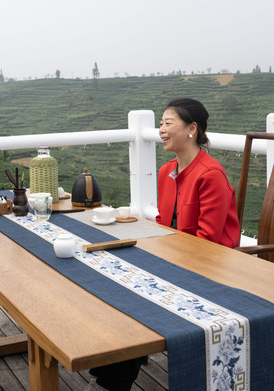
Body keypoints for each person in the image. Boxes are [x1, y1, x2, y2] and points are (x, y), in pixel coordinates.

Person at [85, 98, 239, 391]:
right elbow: (163, 223)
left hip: (212, 269)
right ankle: (108, 375)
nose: (161, 130)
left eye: (168, 123)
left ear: (192, 128)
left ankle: (110, 383)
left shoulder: (211, 175)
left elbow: (207, 244)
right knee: (112, 287)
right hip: (178, 260)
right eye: (160, 124)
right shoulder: (167, 170)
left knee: (134, 302)